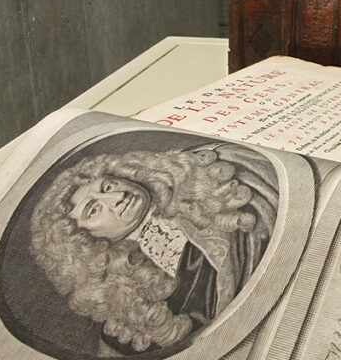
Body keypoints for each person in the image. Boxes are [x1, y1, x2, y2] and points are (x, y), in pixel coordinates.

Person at [29, 141, 278, 353]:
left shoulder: (217, 178)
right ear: (85, 242)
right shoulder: (129, 318)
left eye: (108, 186)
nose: (117, 197)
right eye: (94, 210)